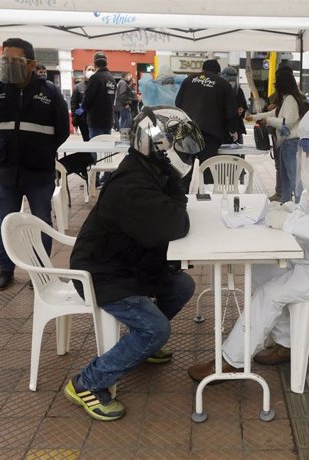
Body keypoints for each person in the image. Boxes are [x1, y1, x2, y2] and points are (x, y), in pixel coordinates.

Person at [188, 107, 309, 380]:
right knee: (259, 270)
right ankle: (286, 342)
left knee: (272, 292)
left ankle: (229, 360)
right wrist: (288, 211)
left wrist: (290, 223)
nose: (307, 153)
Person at [66, 106, 205, 421]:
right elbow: (176, 224)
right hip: (104, 274)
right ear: (156, 146)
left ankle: (139, 345)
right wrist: (176, 195)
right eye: (178, 144)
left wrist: (174, 192)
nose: (185, 152)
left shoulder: (151, 170)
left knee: (182, 285)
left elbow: (172, 213)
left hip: (128, 264)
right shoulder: (134, 184)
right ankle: (87, 383)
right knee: (157, 329)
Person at [0, 38, 70, 291]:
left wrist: (41, 150)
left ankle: (41, 271)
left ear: (31, 64)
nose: (8, 65)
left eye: (14, 61)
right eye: (4, 60)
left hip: (38, 170)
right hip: (5, 169)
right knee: (4, 222)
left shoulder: (49, 92)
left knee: (41, 221)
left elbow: (62, 131)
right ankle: (5, 269)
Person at [248, 68, 308, 203]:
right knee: (285, 176)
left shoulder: (291, 100)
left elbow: (287, 122)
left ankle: (301, 205)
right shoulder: (287, 99)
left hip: (291, 143)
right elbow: (274, 113)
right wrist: (254, 117)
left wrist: (267, 121)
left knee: (292, 176)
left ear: (283, 84)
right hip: (285, 143)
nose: (275, 84)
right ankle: (286, 202)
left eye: (277, 82)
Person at [175, 59, 238, 186]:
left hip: (187, 132)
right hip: (210, 134)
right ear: (218, 72)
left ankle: (182, 201)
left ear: (203, 69)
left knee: (184, 173)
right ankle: (207, 200)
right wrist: (232, 131)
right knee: (208, 173)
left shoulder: (188, 81)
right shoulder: (224, 84)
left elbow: (177, 104)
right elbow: (231, 112)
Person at [81, 51, 116, 138]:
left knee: (95, 148)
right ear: (106, 63)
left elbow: (87, 99)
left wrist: (83, 108)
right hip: (108, 120)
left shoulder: (95, 78)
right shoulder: (112, 79)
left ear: (95, 64)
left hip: (96, 120)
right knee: (106, 149)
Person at [221, 66, 248, 144]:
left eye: (233, 78)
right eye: (229, 78)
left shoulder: (238, 91)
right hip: (223, 127)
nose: (231, 81)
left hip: (236, 126)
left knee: (238, 152)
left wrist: (241, 111)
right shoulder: (219, 90)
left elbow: (244, 107)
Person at [71, 64, 95, 141]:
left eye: (93, 70)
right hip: (83, 120)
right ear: (84, 72)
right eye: (89, 69)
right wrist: (75, 120)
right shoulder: (78, 87)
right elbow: (74, 105)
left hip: (95, 120)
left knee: (95, 142)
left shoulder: (98, 85)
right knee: (87, 141)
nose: (91, 71)